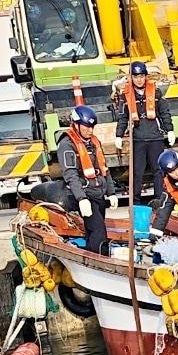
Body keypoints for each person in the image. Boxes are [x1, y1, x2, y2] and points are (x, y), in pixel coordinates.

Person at [57, 105, 117, 254]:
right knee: (99, 232)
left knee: (93, 232)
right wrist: (81, 198)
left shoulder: (94, 142)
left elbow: (104, 169)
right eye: (86, 127)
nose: (90, 130)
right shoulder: (67, 145)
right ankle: (101, 262)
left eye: (92, 127)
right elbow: (70, 174)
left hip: (98, 192)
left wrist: (111, 192)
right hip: (84, 195)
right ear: (76, 125)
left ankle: (90, 254)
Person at [114, 61, 174, 203]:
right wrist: (119, 134)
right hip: (138, 139)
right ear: (131, 78)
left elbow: (164, 112)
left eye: (141, 76)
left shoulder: (156, 92)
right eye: (135, 76)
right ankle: (135, 202)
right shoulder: (126, 95)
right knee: (137, 173)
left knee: (158, 171)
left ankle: (160, 199)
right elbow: (123, 117)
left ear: (145, 76)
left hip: (155, 138)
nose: (139, 79)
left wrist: (170, 130)